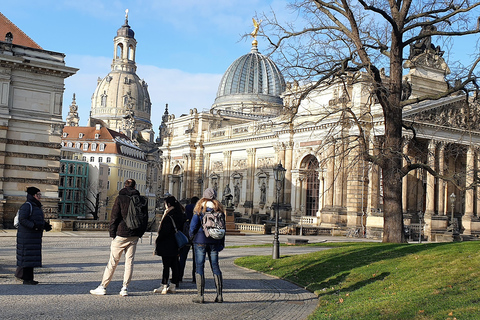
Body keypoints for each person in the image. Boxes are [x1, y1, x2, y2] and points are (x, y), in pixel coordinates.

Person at [90, 179, 148, 296]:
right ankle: (124, 288)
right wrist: (139, 233)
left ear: (124, 186)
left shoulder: (120, 198)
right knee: (129, 262)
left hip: (121, 233)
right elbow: (145, 218)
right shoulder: (141, 199)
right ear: (135, 186)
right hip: (134, 235)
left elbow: (114, 218)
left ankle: (103, 286)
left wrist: (112, 234)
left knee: (113, 261)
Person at [189, 188, 225, 303]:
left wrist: (191, 237)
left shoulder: (200, 209)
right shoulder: (219, 210)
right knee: (215, 267)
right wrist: (221, 243)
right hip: (214, 241)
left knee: (200, 266)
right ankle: (219, 296)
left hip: (200, 240)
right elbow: (224, 229)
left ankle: (200, 296)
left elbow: (193, 226)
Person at [15, 187, 52, 285]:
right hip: (27, 237)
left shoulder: (36, 206)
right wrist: (34, 226)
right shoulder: (27, 206)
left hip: (33, 236)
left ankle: (25, 277)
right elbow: (22, 219)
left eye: (40, 194)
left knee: (29, 258)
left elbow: (37, 219)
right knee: (27, 257)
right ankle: (27, 279)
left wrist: (45, 225)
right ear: (32, 195)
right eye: (38, 194)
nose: (40, 196)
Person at [153, 195, 185, 294]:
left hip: (167, 243)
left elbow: (164, 231)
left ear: (168, 204)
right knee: (175, 264)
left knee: (166, 265)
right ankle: (173, 285)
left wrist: (158, 240)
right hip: (176, 243)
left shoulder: (169, 215)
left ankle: (164, 285)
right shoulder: (180, 214)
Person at [179, 196, 199, 283]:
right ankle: (195, 278)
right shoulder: (199, 209)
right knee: (196, 258)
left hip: (186, 234)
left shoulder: (187, 208)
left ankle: (179, 276)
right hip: (196, 236)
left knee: (183, 257)